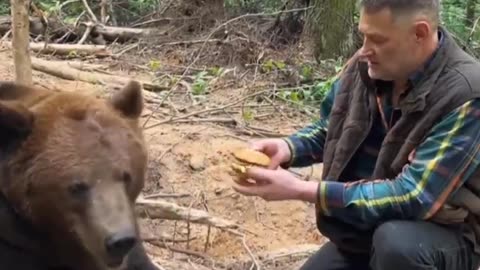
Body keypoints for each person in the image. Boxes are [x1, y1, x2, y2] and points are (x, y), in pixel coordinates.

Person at [231, 1, 480, 270]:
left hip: (443, 236)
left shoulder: (467, 93)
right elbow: (335, 127)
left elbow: (414, 196)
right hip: (368, 228)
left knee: (396, 245)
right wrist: (289, 147)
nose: (364, 49)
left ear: (419, 33)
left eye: (377, 39)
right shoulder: (368, 67)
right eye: (363, 34)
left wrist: (302, 190)